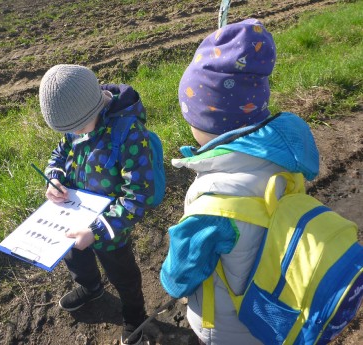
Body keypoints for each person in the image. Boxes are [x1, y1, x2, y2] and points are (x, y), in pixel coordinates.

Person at [159, 19, 319, 345]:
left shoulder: (214, 199)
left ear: (211, 122)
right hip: (279, 307)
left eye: (191, 116)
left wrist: (167, 280)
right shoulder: (282, 158)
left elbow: (179, 276)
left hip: (229, 327)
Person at [39, 64, 157, 345]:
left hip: (110, 226)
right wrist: (55, 178)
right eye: (68, 131)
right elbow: (60, 151)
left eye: (77, 129)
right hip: (75, 214)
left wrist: (98, 231)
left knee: (123, 274)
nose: (74, 134)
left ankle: (134, 317)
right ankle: (90, 286)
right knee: (75, 256)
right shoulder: (76, 122)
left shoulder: (129, 133)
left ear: (96, 108)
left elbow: (137, 196)